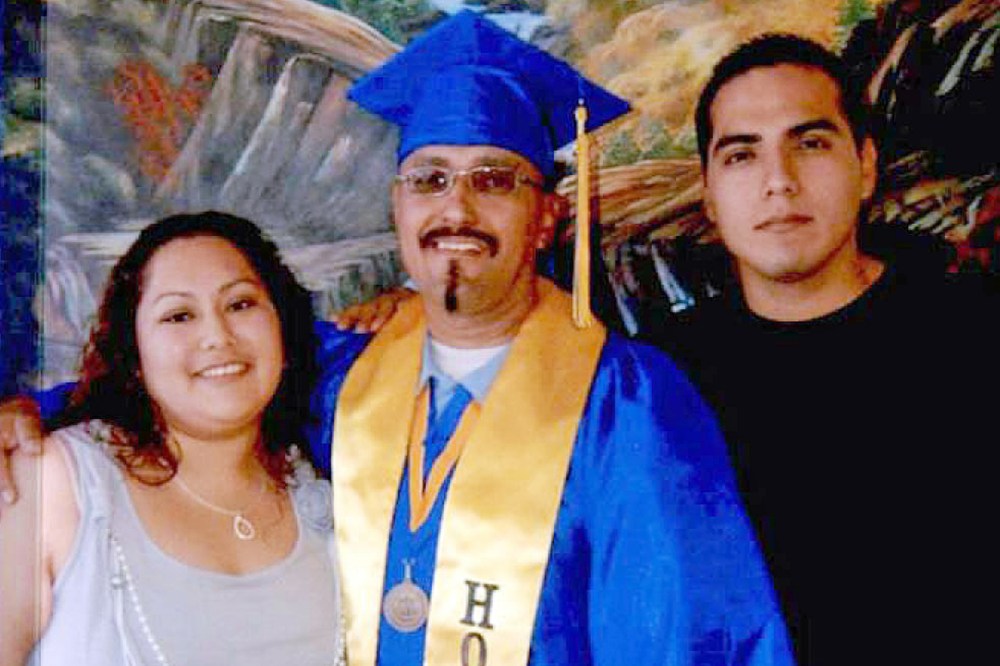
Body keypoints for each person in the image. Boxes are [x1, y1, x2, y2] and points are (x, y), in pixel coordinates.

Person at [1, 12, 793, 665]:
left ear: (547, 215)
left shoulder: (628, 403)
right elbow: (189, 385)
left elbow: (689, 639)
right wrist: (26, 413)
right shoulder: (339, 370)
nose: (457, 210)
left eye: (494, 180)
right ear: (399, 206)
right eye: (431, 179)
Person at [651, 33, 998, 664]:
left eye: (809, 143)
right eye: (741, 156)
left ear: (865, 167)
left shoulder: (974, 331)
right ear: (708, 192)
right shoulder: (662, 381)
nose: (778, 182)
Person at [0, 212, 344, 665]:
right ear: (135, 355)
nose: (217, 336)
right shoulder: (56, 482)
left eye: (240, 304)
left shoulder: (332, 492)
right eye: (179, 315)